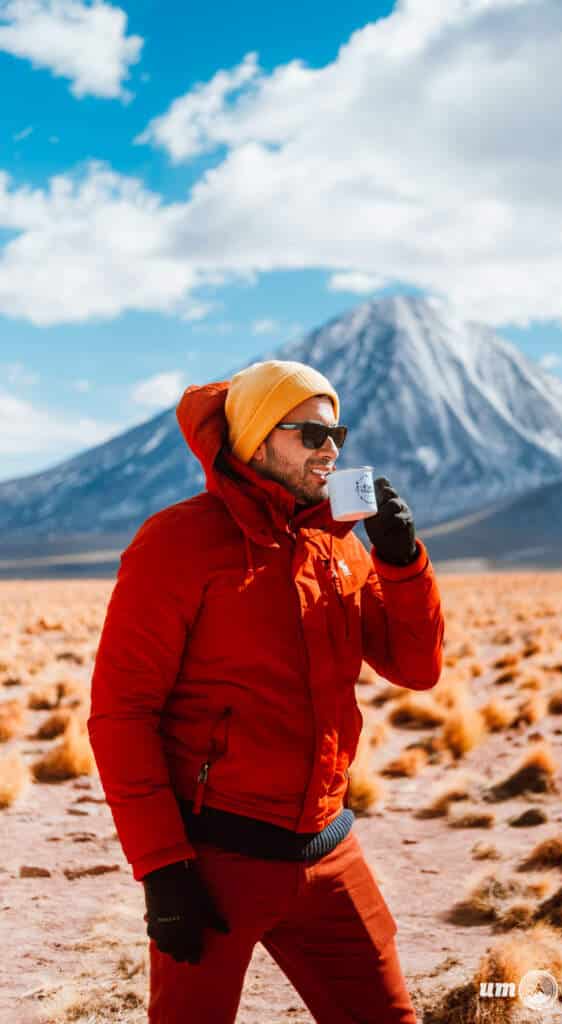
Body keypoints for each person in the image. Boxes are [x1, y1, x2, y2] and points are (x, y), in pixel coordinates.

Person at [88, 359, 445, 1024]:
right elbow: (121, 714)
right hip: (216, 862)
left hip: (330, 850)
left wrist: (403, 566)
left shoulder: (340, 542)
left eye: (337, 431)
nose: (331, 448)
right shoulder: (177, 542)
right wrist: (162, 868)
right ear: (255, 440)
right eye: (310, 434)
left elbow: (416, 668)